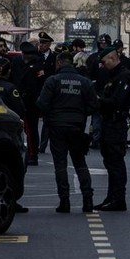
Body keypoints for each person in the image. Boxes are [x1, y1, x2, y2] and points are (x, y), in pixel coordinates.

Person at [37, 50, 100, 213]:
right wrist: (80, 113)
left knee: (60, 165)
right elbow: (94, 105)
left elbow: (42, 104)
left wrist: (52, 114)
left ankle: (64, 201)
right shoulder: (84, 82)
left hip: (57, 126)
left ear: (58, 63)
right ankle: (88, 200)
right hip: (77, 126)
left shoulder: (53, 81)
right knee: (80, 163)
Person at [95, 46, 130, 211]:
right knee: (110, 162)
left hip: (116, 123)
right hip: (109, 122)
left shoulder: (124, 76)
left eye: (104, 62)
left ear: (113, 58)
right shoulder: (113, 76)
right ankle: (111, 197)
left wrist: (98, 100)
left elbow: (117, 101)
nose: (103, 66)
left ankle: (118, 199)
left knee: (116, 162)